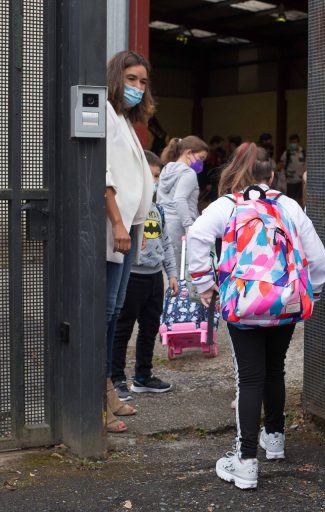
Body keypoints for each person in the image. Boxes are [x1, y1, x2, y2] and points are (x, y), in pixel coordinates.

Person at [186, 143, 325, 490]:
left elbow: (197, 235)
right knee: (274, 368)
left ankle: (245, 461)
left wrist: (205, 284)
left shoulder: (228, 205)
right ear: (271, 174)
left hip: (244, 304)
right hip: (286, 303)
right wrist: (313, 292)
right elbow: (319, 259)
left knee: (249, 378)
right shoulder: (288, 205)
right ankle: (275, 440)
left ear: (238, 171)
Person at [104, 50, 155, 433]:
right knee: (106, 313)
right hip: (114, 230)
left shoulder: (123, 118)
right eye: (132, 79)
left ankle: (107, 392)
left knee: (117, 309)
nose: (137, 87)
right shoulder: (104, 113)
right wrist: (119, 223)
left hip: (130, 229)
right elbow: (103, 173)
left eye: (142, 81)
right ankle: (98, 398)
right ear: (117, 77)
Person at [110, 150, 180, 401]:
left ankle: (143, 376)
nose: (155, 181)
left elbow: (166, 243)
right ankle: (116, 378)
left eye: (157, 176)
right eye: (150, 176)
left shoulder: (157, 210)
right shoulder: (127, 209)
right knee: (122, 329)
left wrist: (171, 273)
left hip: (154, 278)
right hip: (132, 277)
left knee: (150, 328)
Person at [157, 136, 209, 272]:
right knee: (179, 274)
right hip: (178, 229)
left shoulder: (166, 169)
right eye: (201, 158)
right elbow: (179, 199)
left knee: (166, 272)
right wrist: (189, 227)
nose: (201, 163)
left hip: (162, 225)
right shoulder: (189, 173)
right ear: (188, 153)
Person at [278, 134, 306, 207]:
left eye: (295, 142)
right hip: (290, 181)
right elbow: (280, 165)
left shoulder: (303, 152)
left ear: (298, 142)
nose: (293, 144)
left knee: (301, 199)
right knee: (291, 200)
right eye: (292, 142)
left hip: (301, 181)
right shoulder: (287, 153)